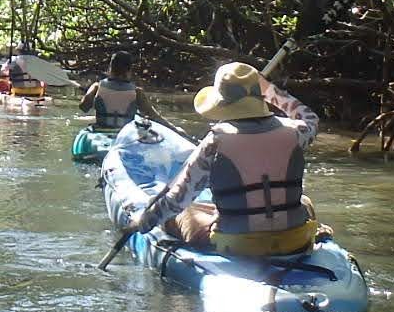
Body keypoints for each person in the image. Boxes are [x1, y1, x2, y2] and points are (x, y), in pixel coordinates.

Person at [123, 61, 321, 255]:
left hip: (237, 245)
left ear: (222, 103)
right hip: (295, 239)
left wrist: (142, 222)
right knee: (303, 201)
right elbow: (310, 117)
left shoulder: (215, 141)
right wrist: (269, 90)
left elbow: (177, 199)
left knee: (184, 212)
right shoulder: (297, 132)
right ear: (261, 96)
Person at [78, 51, 155, 131]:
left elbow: (83, 108)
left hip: (101, 131)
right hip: (124, 136)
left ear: (110, 67)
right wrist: (169, 126)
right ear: (129, 69)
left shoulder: (97, 87)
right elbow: (152, 115)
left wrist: (90, 94)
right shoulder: (137, 92)